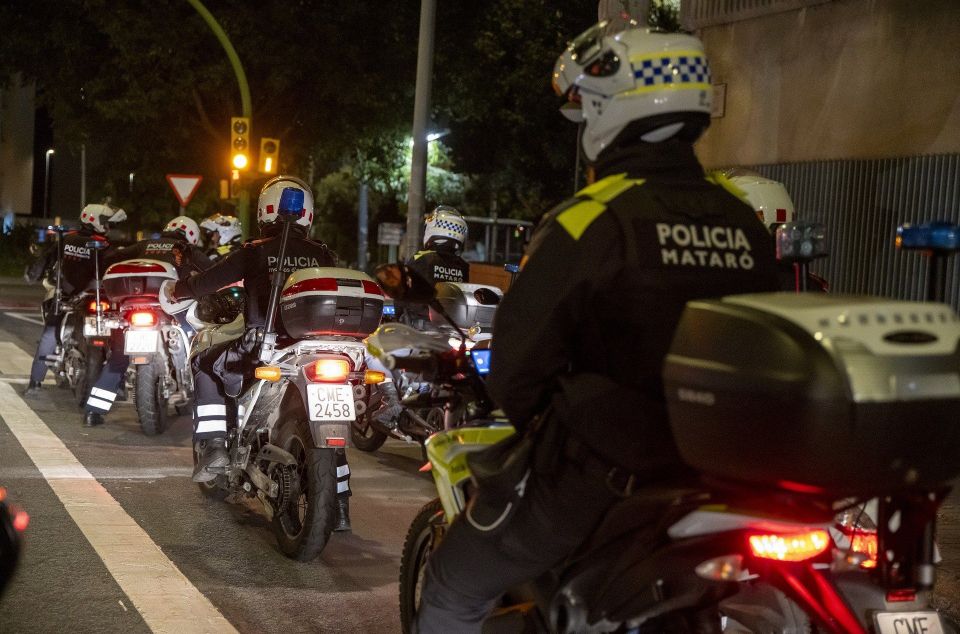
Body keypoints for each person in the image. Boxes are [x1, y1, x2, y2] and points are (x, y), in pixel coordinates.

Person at [415, 24, 782, 632]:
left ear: (617, 107)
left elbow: (518, 364)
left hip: (606, 475)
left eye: (589, 109)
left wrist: (554, 425)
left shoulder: (595, 218)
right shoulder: (742, 222)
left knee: (454, 583)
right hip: (723, 475)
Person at [165, 176, 355, 531]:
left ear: (265, 211)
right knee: (331, 423)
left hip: (261, 347)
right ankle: (341, 505)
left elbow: (207, 281)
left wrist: (179, 289)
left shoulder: (254, 250)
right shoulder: (323, 253)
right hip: (312, 350)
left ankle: (214, 446)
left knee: (204, 363)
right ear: (308, 215)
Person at [82, 215, 211, 427]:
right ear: (191, 236)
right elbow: (213, 272)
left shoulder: (145, 244)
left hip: (132, 308)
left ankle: (93, 412)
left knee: (117, 360)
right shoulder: (186, 249)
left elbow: (111, 258)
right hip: (168, 308)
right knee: (199, 345)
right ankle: (202, 402)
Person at [23, 204, 126, 398]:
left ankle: (35, 383)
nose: (108, 227)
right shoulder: (104, 245)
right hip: (97, 298)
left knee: (50, 334)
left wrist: (32, 275)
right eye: (106, 222)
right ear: (93, 220)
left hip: (68, 296)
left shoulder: (67, 239)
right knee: (117, 336)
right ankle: (118, 384)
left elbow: (45, 260)